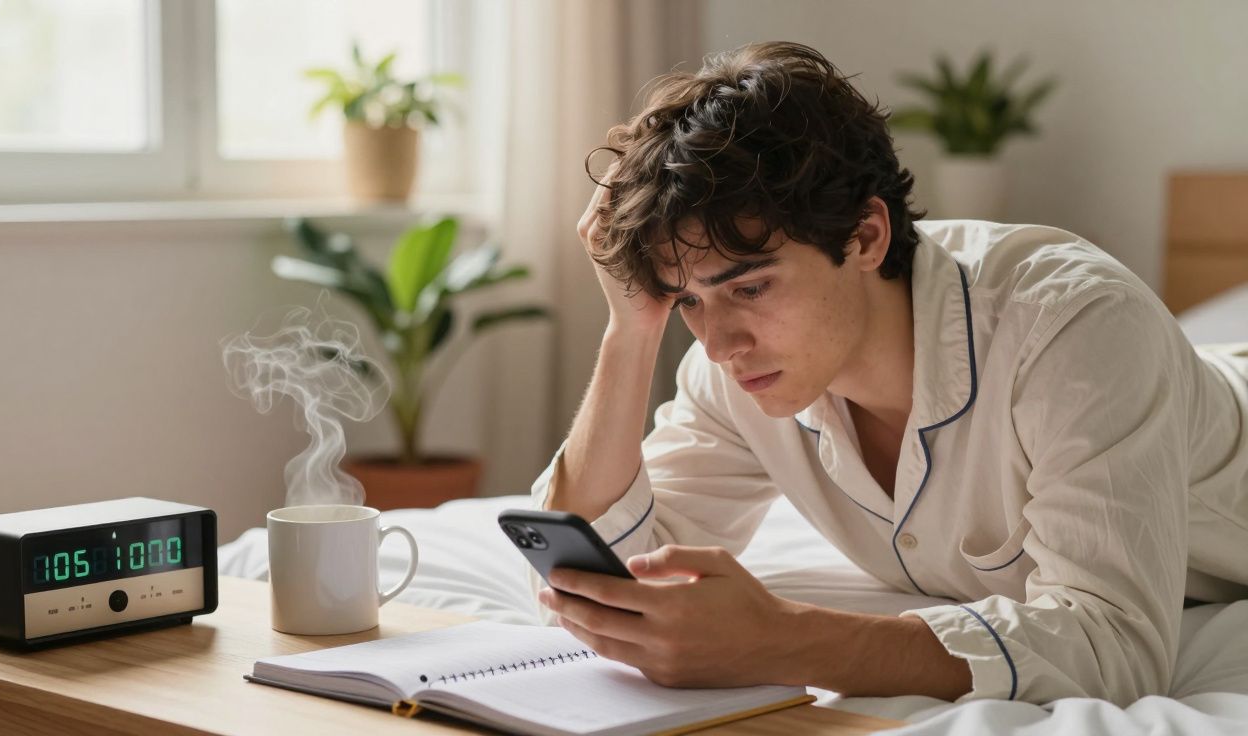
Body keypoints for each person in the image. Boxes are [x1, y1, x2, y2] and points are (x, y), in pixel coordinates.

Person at [525, 40, 1248, 705]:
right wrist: (631, 326)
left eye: (748, 287)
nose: (717, 344)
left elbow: (1114, 644)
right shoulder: (737, 370)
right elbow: (599, 575)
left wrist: (782, 639)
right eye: (687, 300)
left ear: (866, 235)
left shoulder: (1073, 326)